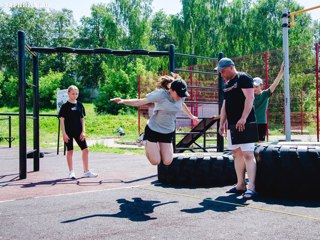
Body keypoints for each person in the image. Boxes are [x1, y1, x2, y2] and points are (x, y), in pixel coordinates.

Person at [111, 76, 198, 166]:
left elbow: (182, 104)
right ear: (172, 91)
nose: (181, 97)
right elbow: (139, 102)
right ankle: (144, 139)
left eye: (183, 95)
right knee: (155, 161)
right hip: (154, 129)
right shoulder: (160, 95)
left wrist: (191, 116)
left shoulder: (181, 96)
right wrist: (123, 101)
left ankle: (153, 146)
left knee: (167, 161)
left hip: (168, 131)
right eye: (179, 95)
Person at [216, 58, 257, 199]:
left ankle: (251, 187)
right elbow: (225, 106)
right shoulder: (227, 85)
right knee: (236, 153)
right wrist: (222, 123)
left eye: (223, 71)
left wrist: (244, 118)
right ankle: (240, 185)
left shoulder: (243, 78)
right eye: (220, 71)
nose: (221, 74)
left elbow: (250, 98)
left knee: (248, 154)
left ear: (231, 67)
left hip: (245, 123)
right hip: (233, 124)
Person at [59, 85, 98, 179]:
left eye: (77, 94)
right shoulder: (64, 106)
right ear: (68, 93)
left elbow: (82, 119)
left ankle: (86, 171)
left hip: (79, 132)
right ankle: (71, 172)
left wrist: (83, 131)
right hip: (68, 132)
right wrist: (64, 133)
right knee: (70, 151)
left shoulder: (80, 105)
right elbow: (62, 120)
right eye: (73, 93)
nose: (75, 95)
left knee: (85, 149)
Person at [253, 63, 284, 142]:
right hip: (251, 123)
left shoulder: (265, 94)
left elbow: (275, 84)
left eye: (256, 86)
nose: (254, 89)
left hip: (261, 122)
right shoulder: (249, 96)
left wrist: (281, 71)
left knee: (261, 143)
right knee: (250, 145)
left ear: (261, 86)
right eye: (252, 87)